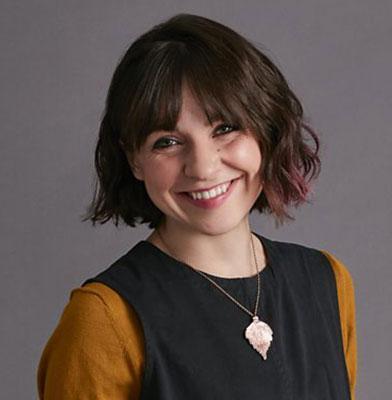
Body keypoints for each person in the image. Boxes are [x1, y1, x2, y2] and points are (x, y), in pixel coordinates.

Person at [37, 13, 357, 400]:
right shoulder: (105, 321)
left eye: (225, 128)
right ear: (134, 159)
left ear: (265, 128)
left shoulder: (327, 282)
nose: (203, 167)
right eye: (167, 141)